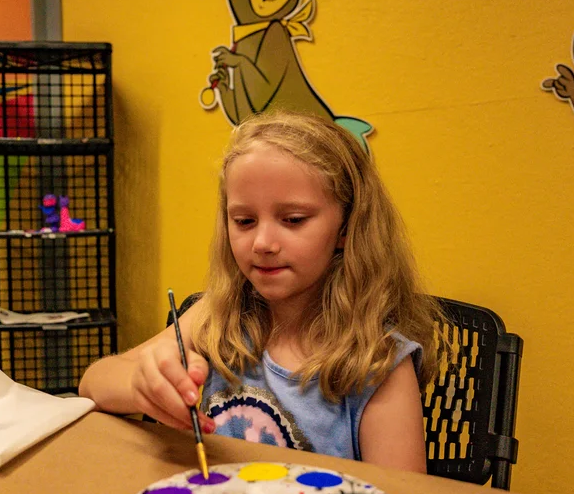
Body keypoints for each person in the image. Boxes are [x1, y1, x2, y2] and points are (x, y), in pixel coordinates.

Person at [79, 111, 440, 472]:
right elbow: (92, 385)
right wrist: (140, 383)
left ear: (347, 227)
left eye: (293, 220)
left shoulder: (377, 362)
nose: (263, 243)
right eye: (244, 221)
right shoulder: (218, 317)